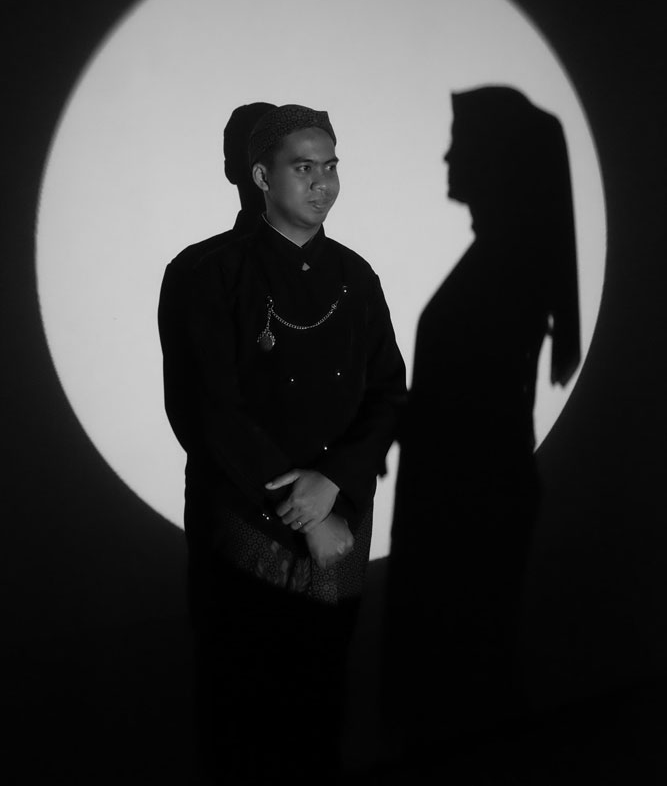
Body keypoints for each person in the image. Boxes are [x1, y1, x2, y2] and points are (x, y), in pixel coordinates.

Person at [158, 103, 406, 784]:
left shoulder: (356, 275)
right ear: (261, 175)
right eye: (303, 167)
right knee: (242, 700)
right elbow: (207, 411)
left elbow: (388, 392)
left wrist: (336, 485)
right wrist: (303, 511)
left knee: (323, 695)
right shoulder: (206, 271)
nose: (322, 183)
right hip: (247, 523)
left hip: (341, 520)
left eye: (330, 166)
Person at [382, 86, 580, 778]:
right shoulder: (506, 261)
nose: (446, 155)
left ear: (494, 158)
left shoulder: (502, 267)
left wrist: (382, 413)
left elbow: (464, 409)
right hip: (477, 502)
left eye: (459, 141)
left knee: (463, 702)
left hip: (468, 509)